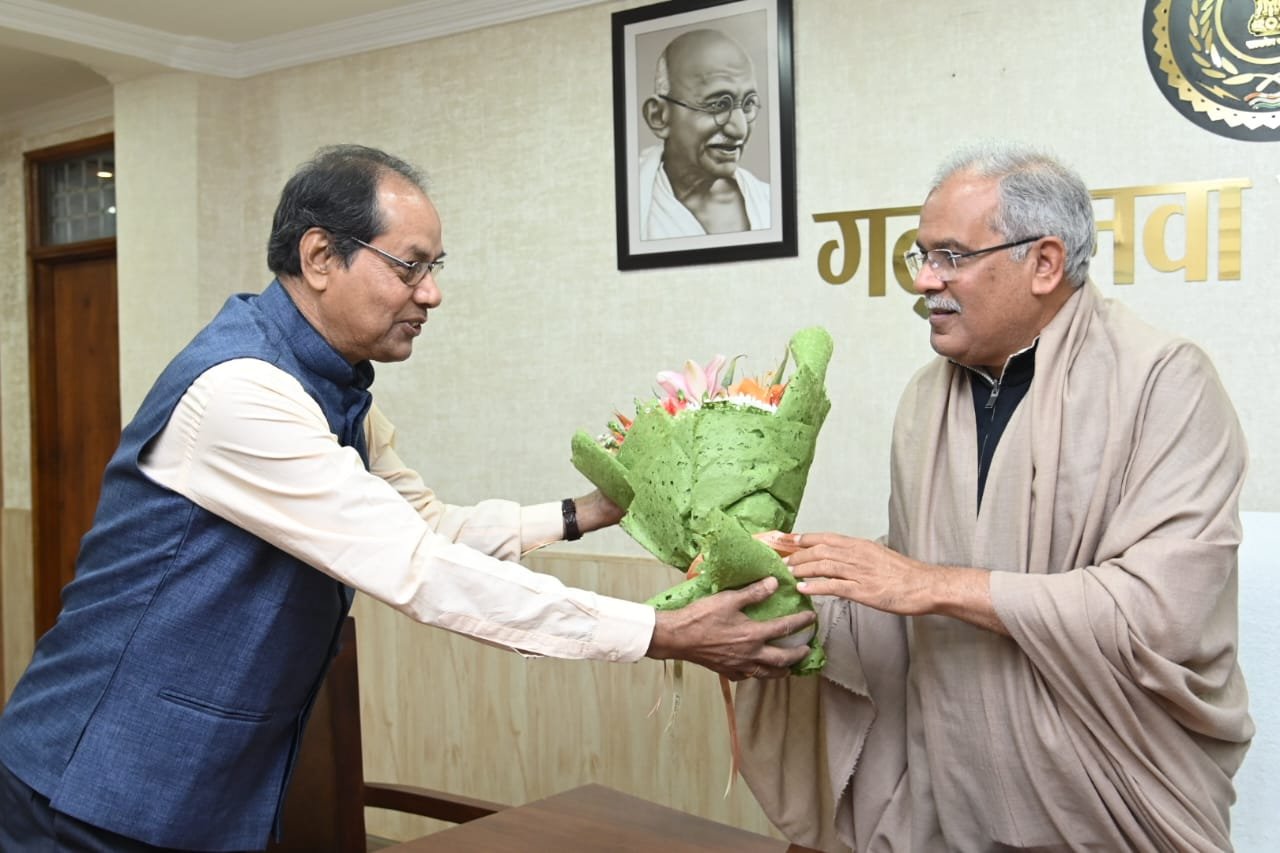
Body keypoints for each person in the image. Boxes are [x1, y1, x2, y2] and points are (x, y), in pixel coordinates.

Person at [0, 144, 815, 852]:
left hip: (202, 787)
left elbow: (426, 524)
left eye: (436, 268)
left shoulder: (337, 388)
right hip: (91, 786)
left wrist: (585, 513)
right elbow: (417, 568)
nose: (432, 295)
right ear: (320, 256)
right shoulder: (243, 394)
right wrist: (659, 631)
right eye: (410, 266)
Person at [736, 145, 1253, 852]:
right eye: (919, 254)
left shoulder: (1166, 381)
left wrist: (930, 584)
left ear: (1042, 263)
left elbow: (1163, 614)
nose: (924, 280)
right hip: (945, 801)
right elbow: (915, 582)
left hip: (1116, 802)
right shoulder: (927, 397)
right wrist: (797, 581)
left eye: (950, 255)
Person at [638, 28, 771, 239]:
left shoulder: (768, 203)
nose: (740, 129)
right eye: (718, 104)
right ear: (659, 116)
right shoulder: (630, 200)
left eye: (748, 105)